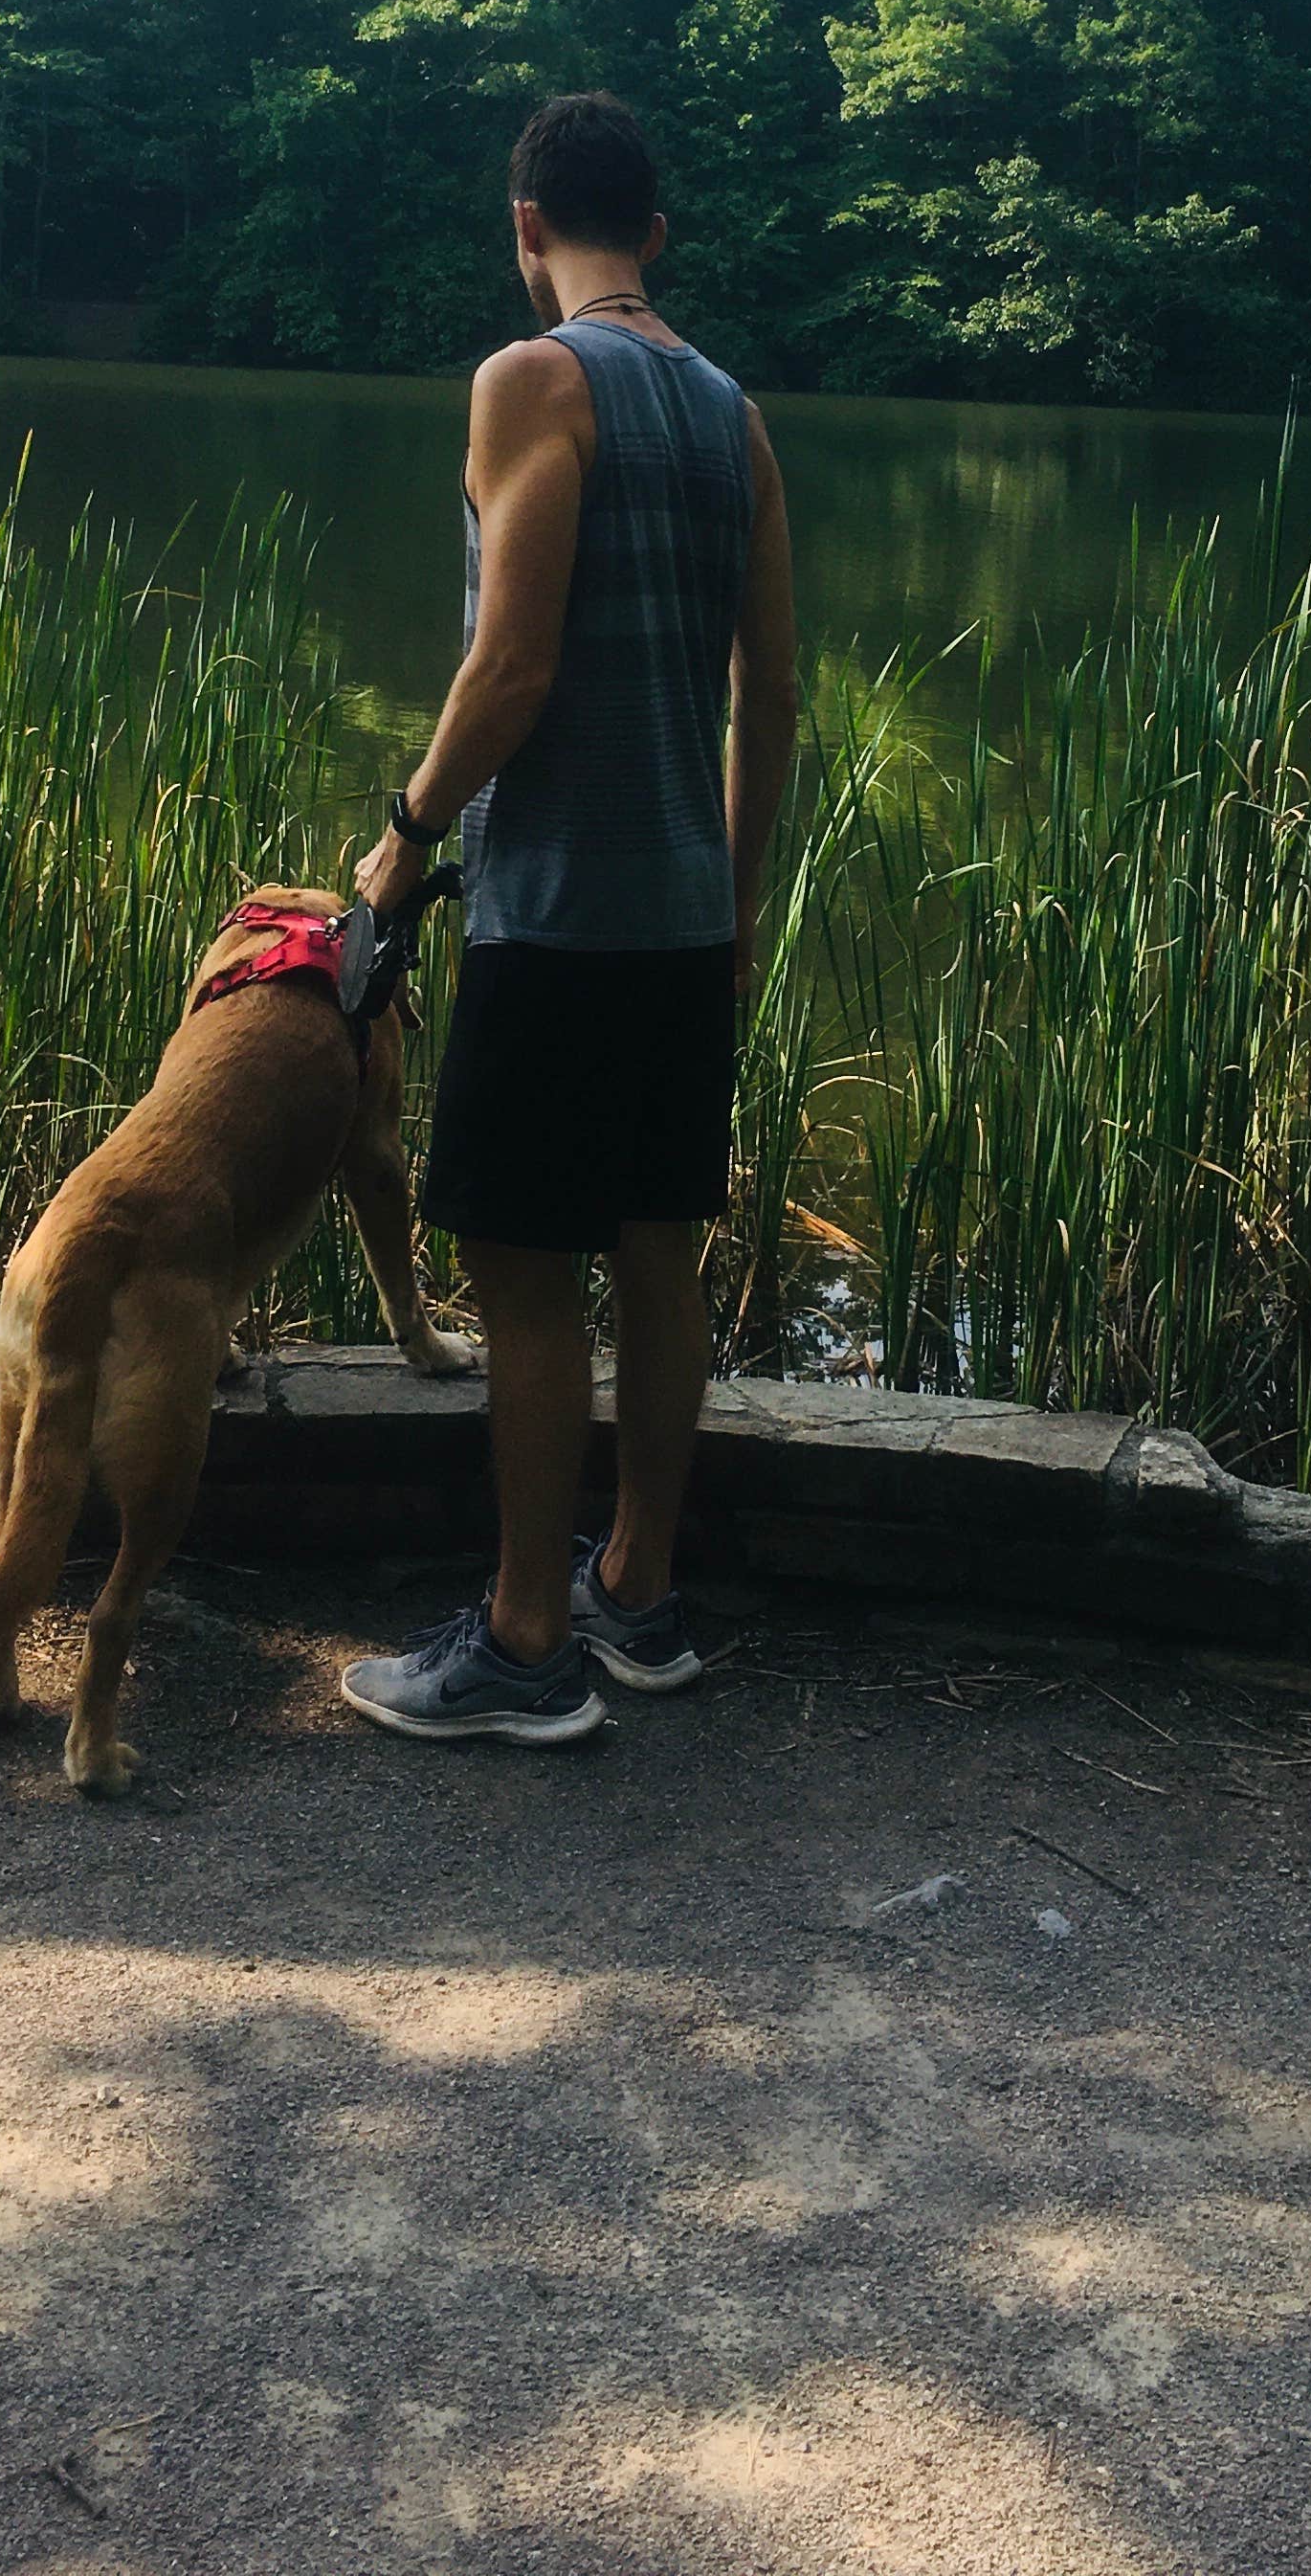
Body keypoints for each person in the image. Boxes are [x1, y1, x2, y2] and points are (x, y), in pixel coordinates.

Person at [339, 91, 798, 1744]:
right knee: (659, 1255)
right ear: (653, 234)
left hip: (554, 915)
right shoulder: (735, 415)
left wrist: (403, 841)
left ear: (526, 226)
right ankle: (637, 1593)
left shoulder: (533, 380)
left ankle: (527, 1643)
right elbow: (771, 698)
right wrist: (734, 904)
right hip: (679, 918)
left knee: (525, 1276)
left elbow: (511, 663)